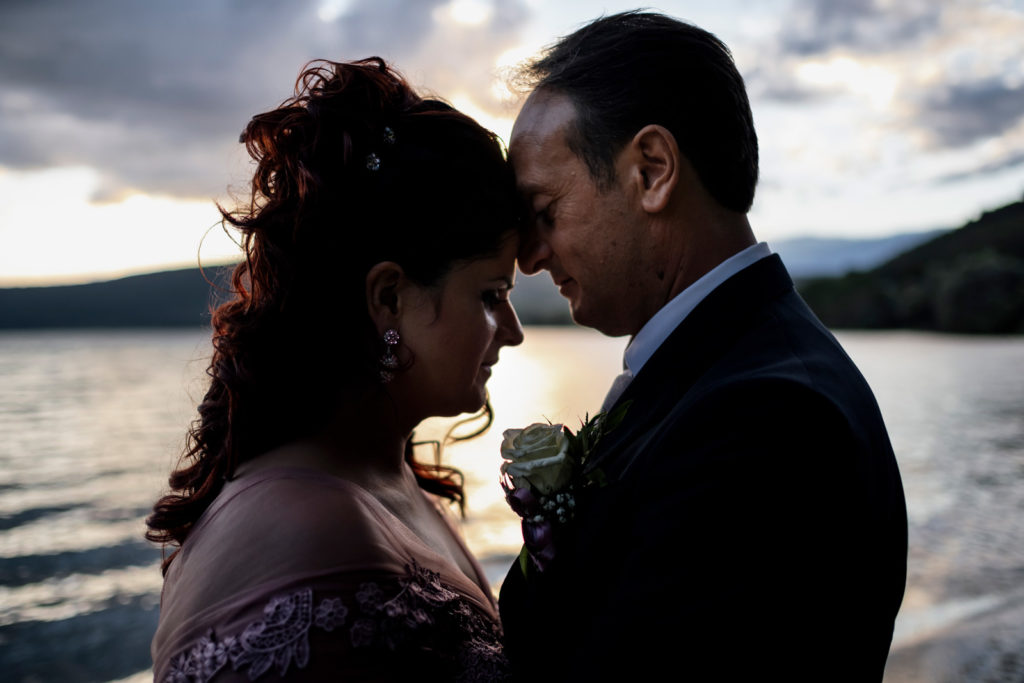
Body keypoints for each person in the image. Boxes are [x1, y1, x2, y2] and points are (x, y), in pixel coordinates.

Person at [498, 11, 908, 681]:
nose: (531, 258)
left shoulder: (766, 420)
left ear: (653, 171)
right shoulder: (723, 368)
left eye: (545, 213)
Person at [147, 57, 524, 681]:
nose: (511, 331)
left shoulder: (389, 472)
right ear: (388, 299)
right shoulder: (312, 535)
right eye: (490, 295)